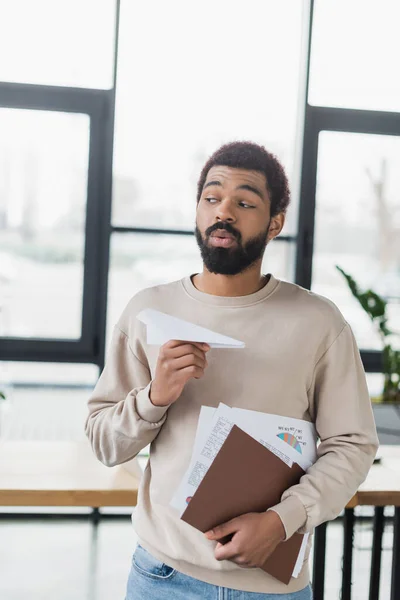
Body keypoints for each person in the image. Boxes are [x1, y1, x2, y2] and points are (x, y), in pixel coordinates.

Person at [84, 141, 379, 600]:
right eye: (211, 197)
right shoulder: (147, 311)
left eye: (244, 202)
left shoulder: (319, 322)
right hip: (162, 579)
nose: (224, 211)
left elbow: (354, 445)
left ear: (275, 223)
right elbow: (104, 444)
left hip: (272, 587)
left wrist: (282, 521)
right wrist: (154, 397)